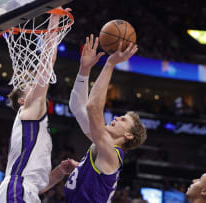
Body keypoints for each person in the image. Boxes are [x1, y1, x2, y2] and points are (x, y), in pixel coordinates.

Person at [0, 8, 77, 203]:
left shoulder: (34, 121)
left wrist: (58, 173)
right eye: (30, 86)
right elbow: (47, 62)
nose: (35, 85)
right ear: (22, 101)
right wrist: (54, 18)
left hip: (21, 190)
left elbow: (35, 186)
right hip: (16, 189)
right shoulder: (29, 111)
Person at [63, 34, 147, 202]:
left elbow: (92, 107)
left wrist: (110, 63)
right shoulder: (100, 144)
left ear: (128, 136)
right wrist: (84, 70)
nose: (116, 117)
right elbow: (78, 108)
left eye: (123, 120)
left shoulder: (111, 153)